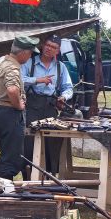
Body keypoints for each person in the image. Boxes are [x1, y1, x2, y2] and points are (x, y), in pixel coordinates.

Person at [0, 36, 39, 179]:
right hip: (10, 114)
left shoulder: (1, 61)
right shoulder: (12, 67)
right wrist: (18, 105)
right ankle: (3, 193)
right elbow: (13, 90)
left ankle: (2, 188)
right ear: (23, 53)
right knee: (11, 158)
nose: (30, 56)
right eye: (30, 53)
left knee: (7, 152)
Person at [20, 34, 74, 176]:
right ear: (43, 45)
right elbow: (20, 80)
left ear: (58, 51)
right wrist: (38, 80)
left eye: (54, 47)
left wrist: (63, 96)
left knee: (52, 142)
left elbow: (69, 87)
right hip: (31, 106)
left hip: (50, 106)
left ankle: (50, 175)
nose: (50, 49)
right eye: (48, 45)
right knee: (29, 142)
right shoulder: (29, 62)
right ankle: (28, 174)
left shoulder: (60, 67)